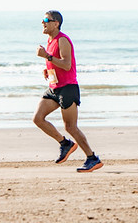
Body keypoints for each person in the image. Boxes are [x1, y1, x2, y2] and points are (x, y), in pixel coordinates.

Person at [33, 10, 103, 172]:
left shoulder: (62, 40)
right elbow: (58, 64)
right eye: (42, 20)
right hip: (54, 88)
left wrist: (47, 57)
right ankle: (65, 144)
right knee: (38, 118)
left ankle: (92, 158)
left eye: (46, 20)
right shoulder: (50, 41)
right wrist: (48, 69)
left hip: (68, 88)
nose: (43, 23)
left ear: (56, 23)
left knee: (71, 127)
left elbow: (66, 65)